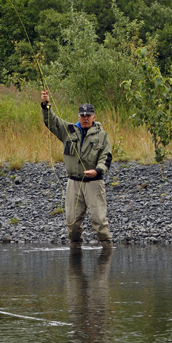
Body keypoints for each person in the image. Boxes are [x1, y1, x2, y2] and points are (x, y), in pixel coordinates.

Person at [41, 90, 113, 250]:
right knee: (72, 223)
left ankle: (108, 252)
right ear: (79, 116)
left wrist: (97, 171)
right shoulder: (68, 130)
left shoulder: (102, 136)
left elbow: (106, 158)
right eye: (82, 116)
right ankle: (75, 258)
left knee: (99, 221)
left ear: (94, 117)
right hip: (73, 183)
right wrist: (46, 104)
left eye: (88, 116)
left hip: (94, 183)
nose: (85, 118)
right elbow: (51, 121)